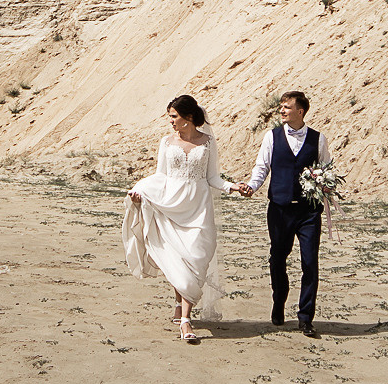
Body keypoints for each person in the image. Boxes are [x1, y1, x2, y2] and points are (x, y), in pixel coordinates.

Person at [121, 95, 226, 343]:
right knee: (179, 258)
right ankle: (186, 321)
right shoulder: (166, 142)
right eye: (170, 116)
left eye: (174, 116)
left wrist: (233, 187)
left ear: (189, 117)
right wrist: (141, 194)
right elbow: (161, 177)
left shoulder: (208, 142)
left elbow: (214, 178)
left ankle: (182, 305)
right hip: (172, 206)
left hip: (199, 208)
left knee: (197, 258)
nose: (170, 121)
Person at [228, 91, 330, 336]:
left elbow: (326, 168)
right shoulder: (272, 137)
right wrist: (252, 186)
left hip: (308, 212)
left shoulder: (318, 139)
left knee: (310, 263)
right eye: (282, 107)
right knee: (277, 258)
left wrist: (324, 184)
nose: (282, 110)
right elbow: (262, 167)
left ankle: (306, 317)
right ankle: (279, 301)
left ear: (300, 111)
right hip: (280, 209)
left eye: (287, 107)